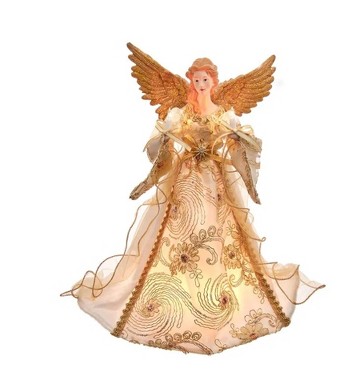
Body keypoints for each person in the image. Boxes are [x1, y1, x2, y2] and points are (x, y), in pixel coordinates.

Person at [61, 45, 324, 354]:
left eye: (205, 80)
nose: (200, 85)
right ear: (190, 81)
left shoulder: (223, 113)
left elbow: (238, 147)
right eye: (196, 80)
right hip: (185, 180)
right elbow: (163, 143)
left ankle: (218, 299)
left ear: (214, 82)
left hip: (214, 180)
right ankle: (174, 296)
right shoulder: (181, 113)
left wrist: (240, 151)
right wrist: (161, 148)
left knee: (218, 232)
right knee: (177, 233)